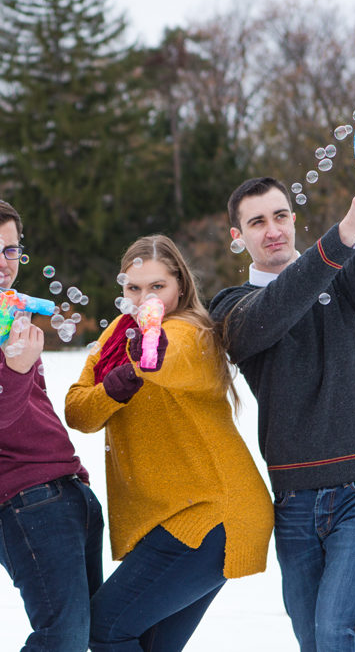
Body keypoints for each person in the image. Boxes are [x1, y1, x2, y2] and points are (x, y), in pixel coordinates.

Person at [208, 145, 355, 651]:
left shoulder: (341, 282)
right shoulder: (232, 307)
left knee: (337, 632)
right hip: (295, 501)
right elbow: (274, 310)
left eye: (279, 215)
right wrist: (341, 235)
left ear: (293, 220)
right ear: (238, 238)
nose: (272, 229)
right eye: (256, 223)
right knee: (313, 640)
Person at [65, 235, 274, 651]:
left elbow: (170, 359)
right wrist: (115, 388)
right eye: (134, 288)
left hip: (210, 515)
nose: (145, 298)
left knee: (105, 629)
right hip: (171, 517)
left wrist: (152, 353)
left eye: (157, 286)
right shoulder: (115, 337)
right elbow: (78, 412)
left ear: (179, 285)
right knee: (150, 642)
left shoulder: (193, 335)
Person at [0, 196, 103, 651]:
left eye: (11, 250)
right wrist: (15, 367)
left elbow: (33, 407)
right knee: (63, 638)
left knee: (94, 633)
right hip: (22, 497)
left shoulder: (9, 313)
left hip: (65, 486)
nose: (2, 262)